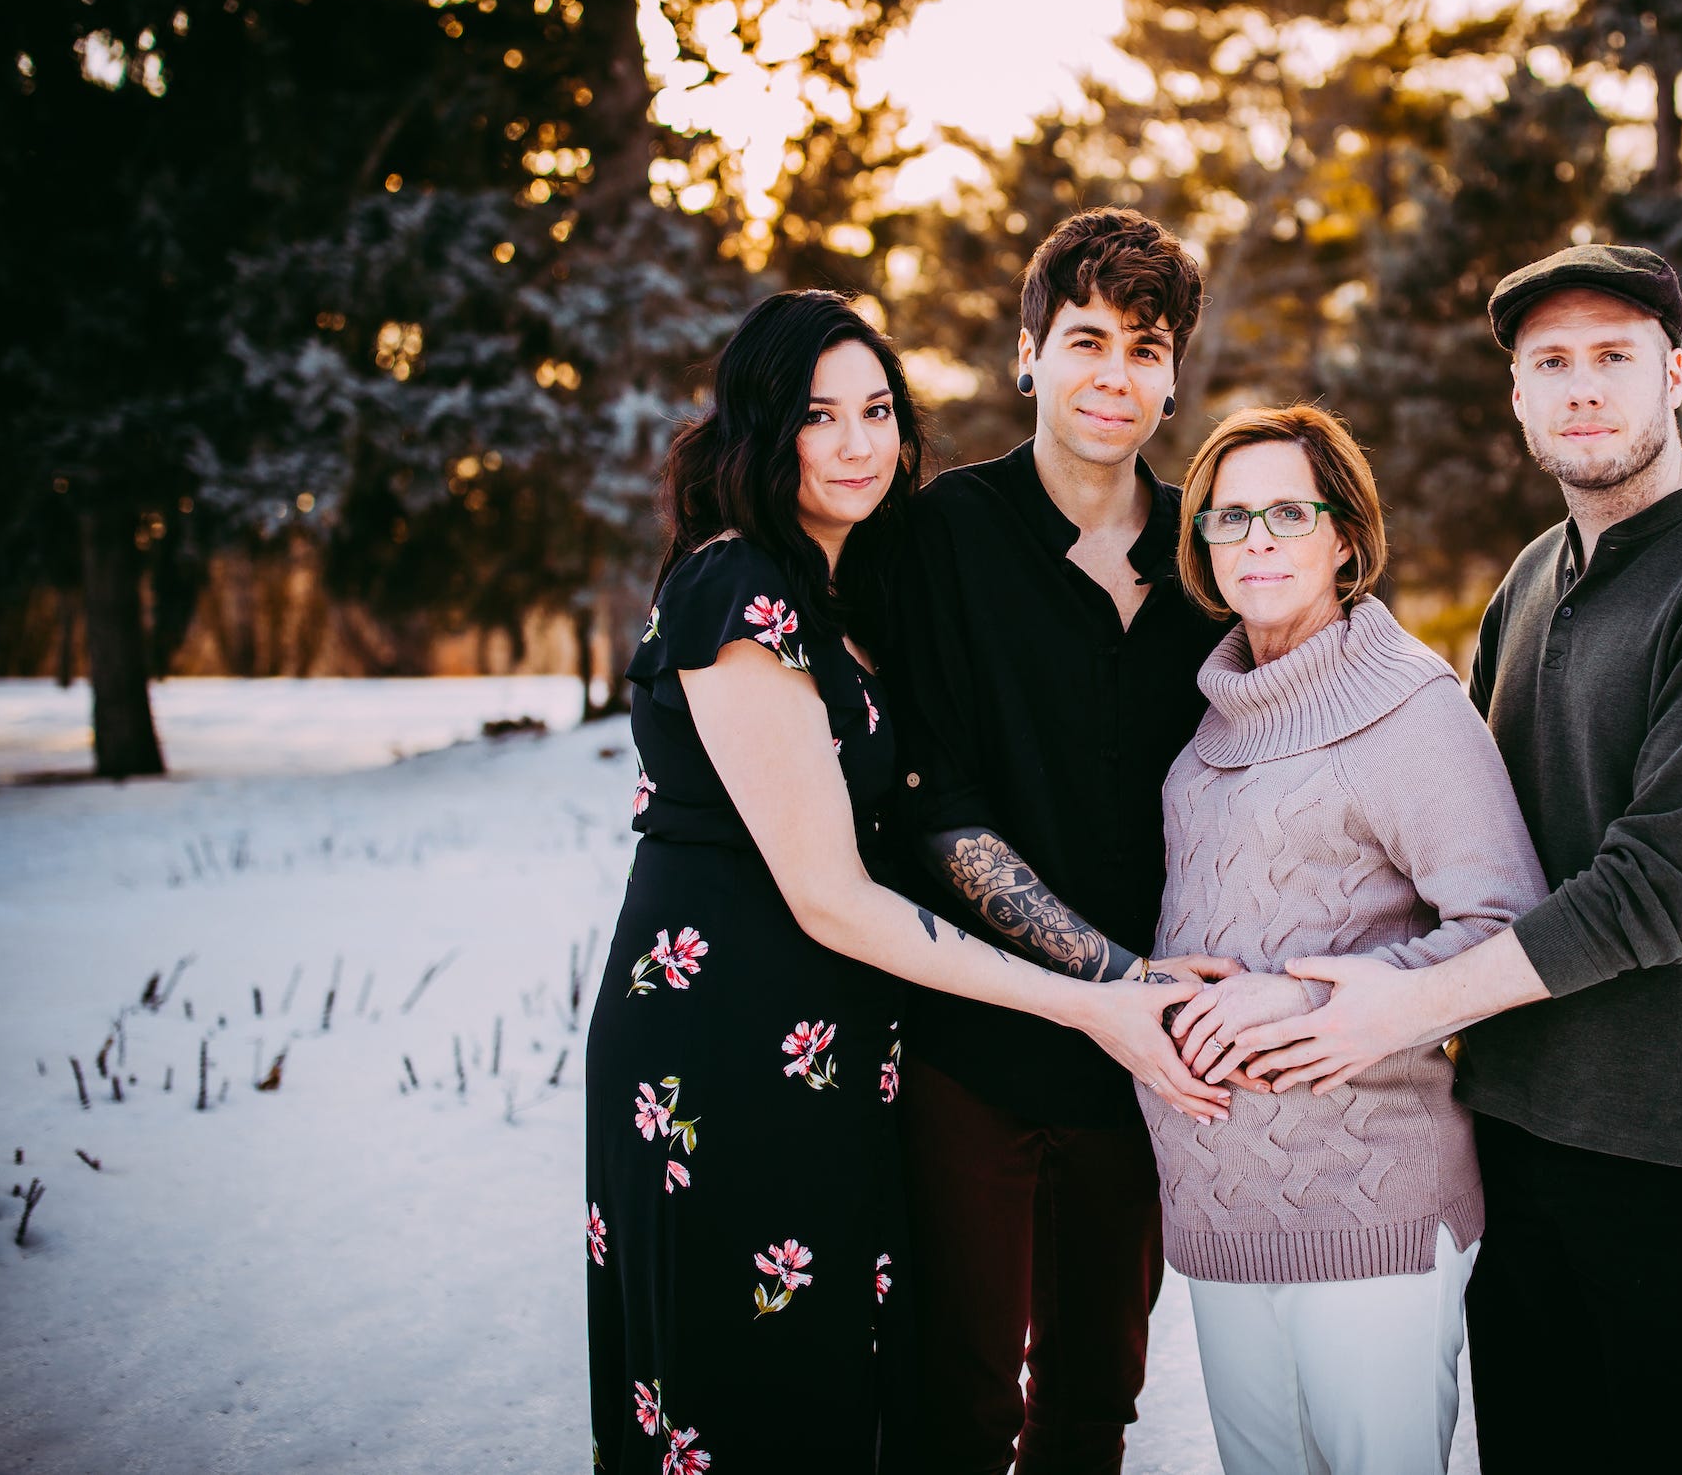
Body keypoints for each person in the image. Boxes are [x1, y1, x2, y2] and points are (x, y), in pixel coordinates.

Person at [1213, 245, 1682, 1472]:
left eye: (1614, 357)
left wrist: (1407, 1004)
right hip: (1519, 1131)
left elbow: (1663, 890)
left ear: (1675, 375)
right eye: (1549, 362)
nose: (1582, 388)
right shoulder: (1532, 577)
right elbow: (1458, 842)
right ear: (1515, 395)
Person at [582, 291, 1211, 1474]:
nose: (859, 442)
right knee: (745, 1394)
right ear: (760, 429)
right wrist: (1091, 994)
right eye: (819, 416)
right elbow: (831, 893)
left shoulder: (842, 593)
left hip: (834, 1043)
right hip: (727, 1039)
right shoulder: (736, 591)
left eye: (877, 409)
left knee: (835, 1387)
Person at [889, 209, 1237, 1475]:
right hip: (969, 1043)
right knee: (957, 1401)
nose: (1115, 375)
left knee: (1096, 1402)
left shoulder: (1215, 552)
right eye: (1084, 339)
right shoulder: (938, 535)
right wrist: (1107, 979)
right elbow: (934, 807)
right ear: (1027, 352)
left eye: (1146, 349)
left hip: (1143, 1070)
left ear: (1173, 373)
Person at [1149, 405, 1547, 1475]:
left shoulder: (1407, 707)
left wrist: (1309, 1001)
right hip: (1220, 1208)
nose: (1258, 537)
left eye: (1289, 509)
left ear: (1345, 537)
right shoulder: (1212, 712)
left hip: (1366, 1202)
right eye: (1230, 516)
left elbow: (1505, 925)